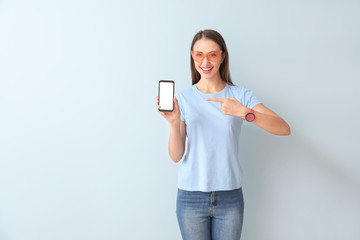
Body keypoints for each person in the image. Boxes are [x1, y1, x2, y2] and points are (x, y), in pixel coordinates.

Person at [155, 29, 290, 240]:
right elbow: (175, 156)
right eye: (199, 54)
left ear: (222, 56)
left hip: (230, 197)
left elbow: (283, 128)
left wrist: (245, 112)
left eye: (212, 54)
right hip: (191, 197)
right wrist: (174, 123)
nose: (205, 61)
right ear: (192, 56)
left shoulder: (240, 95)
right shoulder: (183, 98)